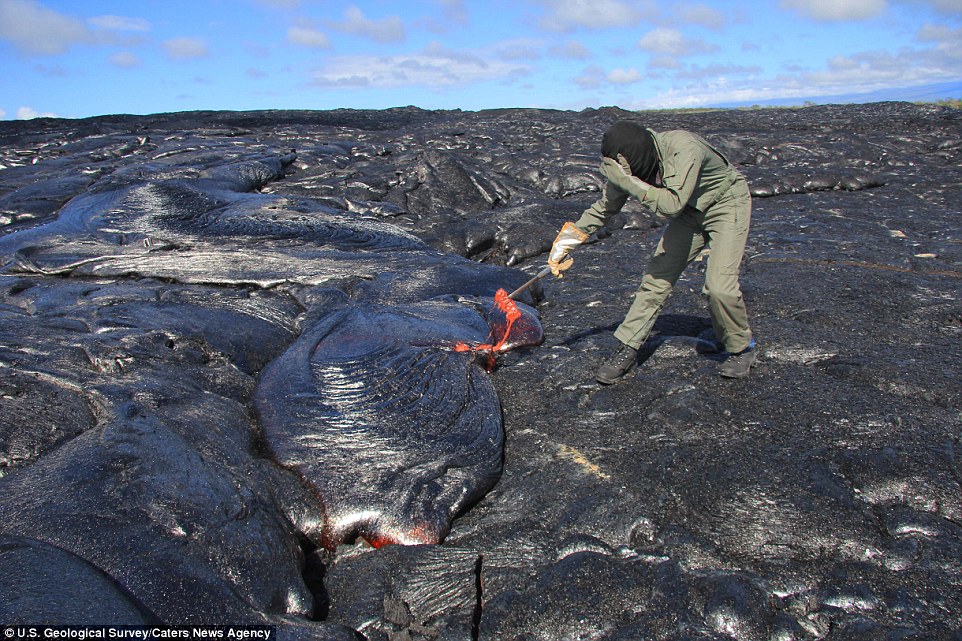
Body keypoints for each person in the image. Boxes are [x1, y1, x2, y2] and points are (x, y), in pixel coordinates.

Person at [547, 120, 756, 383]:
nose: (622, 173)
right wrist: (567, 241)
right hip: (689, 215)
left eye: (622, 167)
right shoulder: (626, 169)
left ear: (632, 156)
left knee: (719, 287)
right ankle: (629, 346)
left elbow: (671, 205)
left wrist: (626, 179)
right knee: (655, 280)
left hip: (725, 203)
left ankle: (740, 348)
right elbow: (604, 208)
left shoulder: (683, 147)